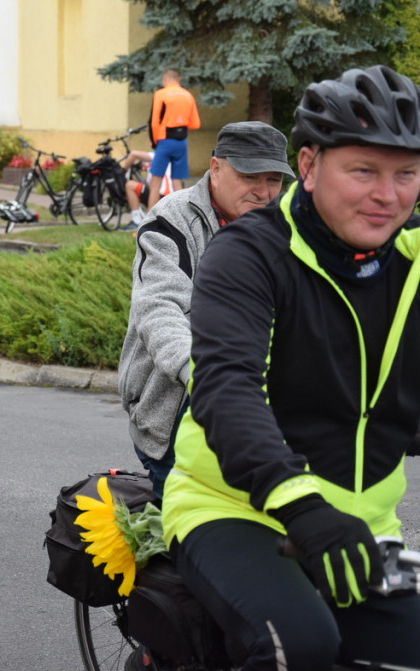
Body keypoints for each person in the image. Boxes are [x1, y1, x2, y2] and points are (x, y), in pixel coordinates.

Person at [161, 65, 420, 671]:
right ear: (308, 166)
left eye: (406, 173)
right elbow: (225, 388)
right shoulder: (249, 255)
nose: (388, 195)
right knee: (297, 649)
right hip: (235, 509)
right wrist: (301, 506)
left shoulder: (409, 261)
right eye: (363, 171)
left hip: (360, 526)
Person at [117, 121, 293, 498]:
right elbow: (160, 309)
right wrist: (209, 379)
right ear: (215, 168)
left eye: (274, 179)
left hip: (263, 415)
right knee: (192, 541)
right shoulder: (171, 220)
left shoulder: (286, 226)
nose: (264, 193)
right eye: (250, 177)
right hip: (176, 412)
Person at [147, 68, 200, 208]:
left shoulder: (161, 94)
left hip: (165, 141)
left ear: (165, 79)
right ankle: (182, 220)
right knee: (178, 183)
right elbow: (195, 123)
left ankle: (148, 221)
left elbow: (153, 123)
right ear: (179, 80)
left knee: (155, 183)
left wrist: (154, 142)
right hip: (181, 141)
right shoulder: (188, 95)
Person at [120, 149, 173, 230]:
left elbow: (133, 154)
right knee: (140, 191)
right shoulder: (166, 159)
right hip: (169, 197)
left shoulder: (157, 155)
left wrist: (122, 171)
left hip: (162, 195)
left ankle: (136, 221)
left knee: (129, 185)